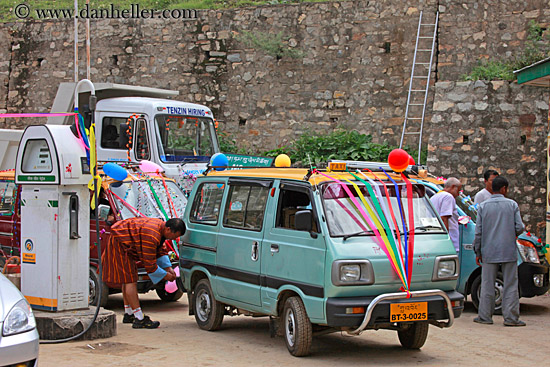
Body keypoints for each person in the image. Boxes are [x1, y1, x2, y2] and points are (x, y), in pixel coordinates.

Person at [102, 217, 185, 329]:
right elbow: (150, 265)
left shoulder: (160, 227)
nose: (174, 239)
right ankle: (139, 318)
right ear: (169, 229)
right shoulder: (151, 235)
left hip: (124, 242)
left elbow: (160, 248)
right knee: (130, 280)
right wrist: (167, 276)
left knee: (128, 279)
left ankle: (129, 313)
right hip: (120, 244)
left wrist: (168, 267)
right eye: (174, 236)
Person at [473, 176, 525, 327]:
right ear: (503, 189)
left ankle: (485, 316)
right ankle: (511, 318)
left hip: (488, 250)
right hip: (508, 249)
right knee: (510, 284)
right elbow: (520, 227)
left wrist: (478, 251)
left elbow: (478, 232)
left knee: (487, 283)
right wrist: (510, 232)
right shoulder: (512, 205)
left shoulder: (483, 206)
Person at [431, 177, 462, 252]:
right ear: (453, 187)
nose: (458, 194)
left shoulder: (435, 197)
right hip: (448, 243)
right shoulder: (448, 197)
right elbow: (444, 218)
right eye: (458, 191)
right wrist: (446, 239)